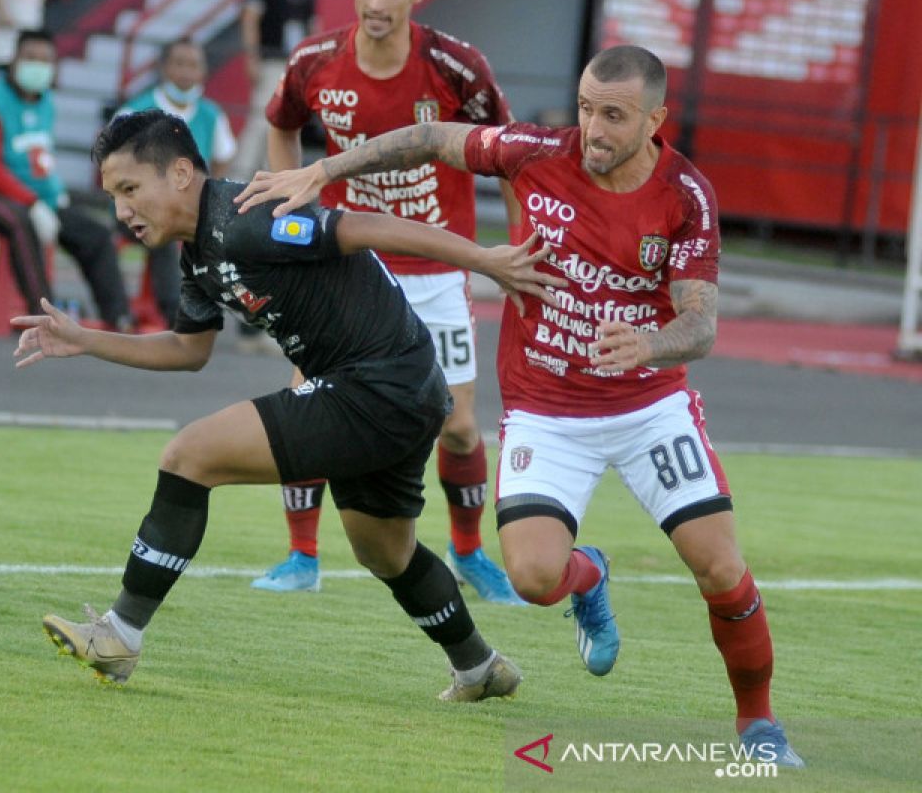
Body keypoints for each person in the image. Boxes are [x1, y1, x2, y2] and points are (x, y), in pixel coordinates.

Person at [236, 45, 805, 766]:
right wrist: (323, 169)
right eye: (586, 108)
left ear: (655, 119)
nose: (592, 129)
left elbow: (702, 325)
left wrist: (650, 344)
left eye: (614, 116)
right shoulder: (533, 152)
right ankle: (588, 573)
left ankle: (758, 724)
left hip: (647, 406)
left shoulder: (685, 195)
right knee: (536, 581)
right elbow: (427, 138)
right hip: (547, 411)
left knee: (720, 568)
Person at [13, 109, 564, 699]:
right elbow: (189, 349)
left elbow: (365, 226)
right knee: (385, 551)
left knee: (189, 455)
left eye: (129, 189)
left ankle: (119, 635)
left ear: (179, 173)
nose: (121, 211)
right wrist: (86, 339)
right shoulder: (197, 253)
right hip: (401, 392)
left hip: (379, 386)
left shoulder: (246, 217)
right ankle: (479, 667)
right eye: (113, 195)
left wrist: (486, 261)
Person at [250, 0, 524, 604]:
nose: (376, 2)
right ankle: (302, 554)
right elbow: (283, 123)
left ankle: (470, 550)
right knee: (309, 401)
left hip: (436, 266)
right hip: (348, 265)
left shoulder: (456, 66)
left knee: (456, 426)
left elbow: (507, 155)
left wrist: (517, 251)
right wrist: (287, 214)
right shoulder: (315, 60)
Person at [0, 29, 131, 329]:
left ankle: (118, 317)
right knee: (21, 224)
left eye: (44, 60)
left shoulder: (46, 102)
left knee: (96, 234)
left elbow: (40, 160)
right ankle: (46, 318)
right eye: (30, 58)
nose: (37, 65)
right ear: (14, 60)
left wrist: (54, 196)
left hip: (37, 199)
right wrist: (32, 202)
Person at [115, 37, 237, 327]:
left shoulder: (212, 115)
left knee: (237, 232)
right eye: (179, 63)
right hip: (137, 210)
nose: (185, 72)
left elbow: (221, 164)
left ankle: (251, 320)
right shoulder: (135, 112)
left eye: (193, 65)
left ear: (203, 71)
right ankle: (176, 315)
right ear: (163, 68)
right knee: (163, 224)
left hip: (192, 212)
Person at [232, 0, 316, 181]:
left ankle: (274, 181)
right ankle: (239, 177)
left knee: (288, 124)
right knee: (261, 121)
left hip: (297, 64)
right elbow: (250, 18)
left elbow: (313, 26)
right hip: (272, 60)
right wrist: (252, 56)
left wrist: (312, 63)